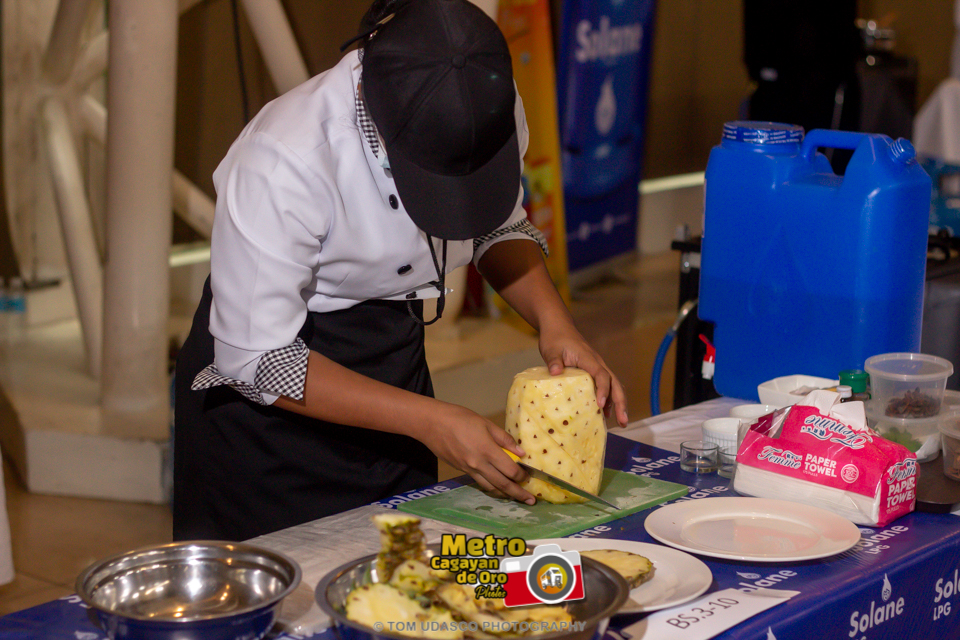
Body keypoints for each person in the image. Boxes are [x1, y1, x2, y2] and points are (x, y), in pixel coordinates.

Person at [173, 0, 627, 542]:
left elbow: (496, 225)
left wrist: (557, 325)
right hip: (272, 422)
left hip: (395, 366)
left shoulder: (486, 104)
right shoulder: (284, 157)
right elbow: (258, 359)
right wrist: (430, 421)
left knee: (402, 570)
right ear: (374, 110)